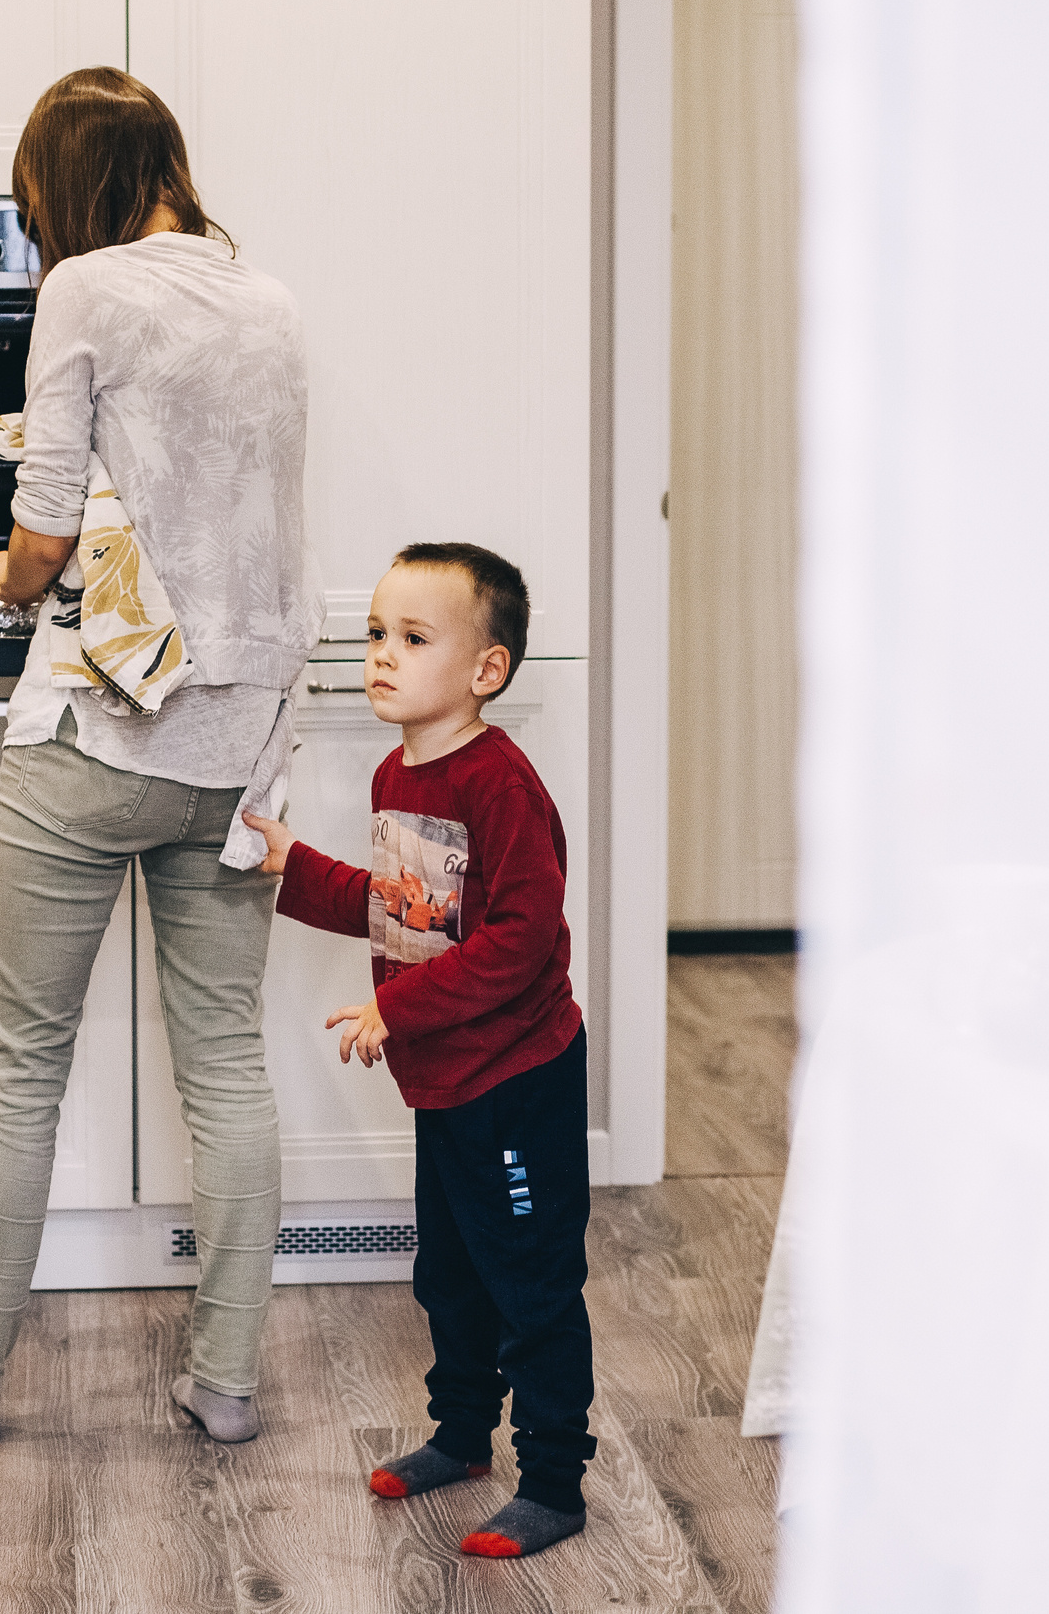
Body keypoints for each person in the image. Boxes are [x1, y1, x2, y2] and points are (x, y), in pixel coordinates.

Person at [0, 67, 321, 1450]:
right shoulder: (265, 299)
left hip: (95, 730)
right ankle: (224, 1378)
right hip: (233, 739)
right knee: (228, 1063)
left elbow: (43, 529)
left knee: (19, 1061)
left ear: (67, 185)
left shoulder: (84, 289)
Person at [241, 542, 595, 1559]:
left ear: (486, 671)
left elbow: (519, 939)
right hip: (445, 1081)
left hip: (515, 1079)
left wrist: (398, 1012)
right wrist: (294, 866)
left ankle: (557, 1480)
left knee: (530, 1280)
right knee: (451, 1270)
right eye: (375, 635)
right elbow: (412, 909)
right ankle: (461, 1436)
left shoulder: (500, 785)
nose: (382, 655)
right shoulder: (399, 769)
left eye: (411, 637)